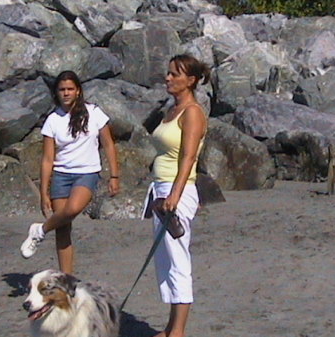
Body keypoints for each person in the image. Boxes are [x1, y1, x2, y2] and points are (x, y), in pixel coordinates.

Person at [20, 70, 120, 274]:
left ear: (78, 91)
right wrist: (43, 192)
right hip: (61, 176)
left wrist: (114, 175)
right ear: (56, 93)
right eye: (62, 89)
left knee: (73, 209)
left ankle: (39, 230)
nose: (66, 93)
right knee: (63, 228)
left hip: (87, 173)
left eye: (70, 89)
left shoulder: (94, 113)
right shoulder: (52, 120)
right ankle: (67, 279)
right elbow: (48, 159)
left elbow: (108, 144)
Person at [144, 54, 210, 337]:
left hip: (177, 190)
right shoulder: (173, 109)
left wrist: (175, 192)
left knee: (178, 258)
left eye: (175, 74)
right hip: (161, 188)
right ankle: (171, 326)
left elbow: (189, 156)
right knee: (166, 259)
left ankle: (179, 331)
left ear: (191, 80)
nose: (168, 78)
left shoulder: (193, 112)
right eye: (168, 73)